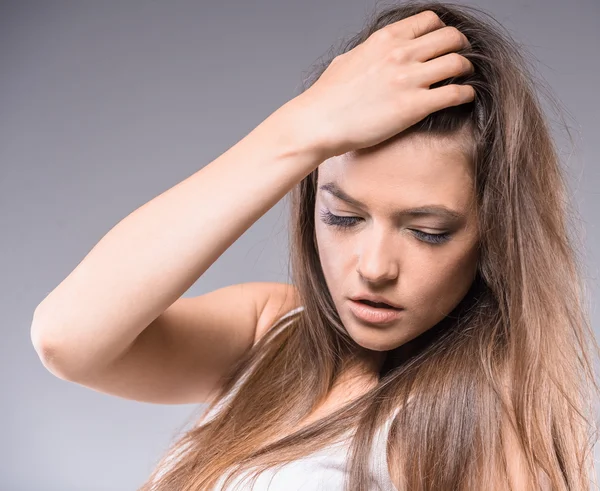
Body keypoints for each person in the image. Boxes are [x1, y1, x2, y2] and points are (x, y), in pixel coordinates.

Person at [30, 2, 599, 490]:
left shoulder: (494, 426)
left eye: (428, 232)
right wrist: (302, 129)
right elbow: (68, 338)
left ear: (495, 237)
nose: (374, 268)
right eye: (343, 216)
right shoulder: (272, 331)